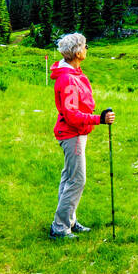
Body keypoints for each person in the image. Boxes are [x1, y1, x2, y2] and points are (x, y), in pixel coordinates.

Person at [49, 32, 115, 239]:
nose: (87, 49)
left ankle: (69, 219)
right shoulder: (68, 79)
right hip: (72, 134)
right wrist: (99, 119)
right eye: (85, 46)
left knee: (69, 177)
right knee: (77, 180)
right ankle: (60, 228)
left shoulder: (74, 73)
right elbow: (71, 115)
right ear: (77, 52)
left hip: (75, 133)